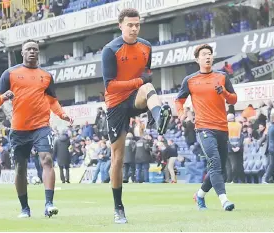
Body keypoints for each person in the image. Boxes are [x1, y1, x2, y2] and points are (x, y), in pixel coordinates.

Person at [101, 8, 172, 224]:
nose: (134, 28)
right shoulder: (110, 50)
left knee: (149, 86)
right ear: (120, 25)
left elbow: (146, 76)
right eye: (130, 24)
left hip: (136, 97)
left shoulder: (146, 47)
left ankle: (159, 118)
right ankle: (118, 208)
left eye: (137, 24)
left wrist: (142, 82)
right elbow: (110, 86)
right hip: (115, 104)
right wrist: (138, 82)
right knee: (118, 158)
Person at [0, 39, 73, 218]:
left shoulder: (46, 76)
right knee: (20, 168)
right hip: (19, 129)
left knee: (47, 160)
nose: (32, 52)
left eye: (35, 49)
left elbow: (52, 100)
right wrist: (4, 96)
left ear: (38, 53)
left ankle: (49, 204)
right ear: (22, 53)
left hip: (41, 127)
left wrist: (62, 114)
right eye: (28, 49)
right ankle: (24, 208)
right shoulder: (10, 73)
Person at [175, 44, 237, 211]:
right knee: (215, 164)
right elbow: (178, 100)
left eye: (209, 54)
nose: (208, 56)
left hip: (222, 128)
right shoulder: (190, 80)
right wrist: (181, 113)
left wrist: (223, 92)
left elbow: (233, 100)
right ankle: (224, 200)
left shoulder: (222, 77)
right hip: (203, 128)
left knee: (219, 168)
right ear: (197, 59)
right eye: (204, 54)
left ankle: (200, 195)